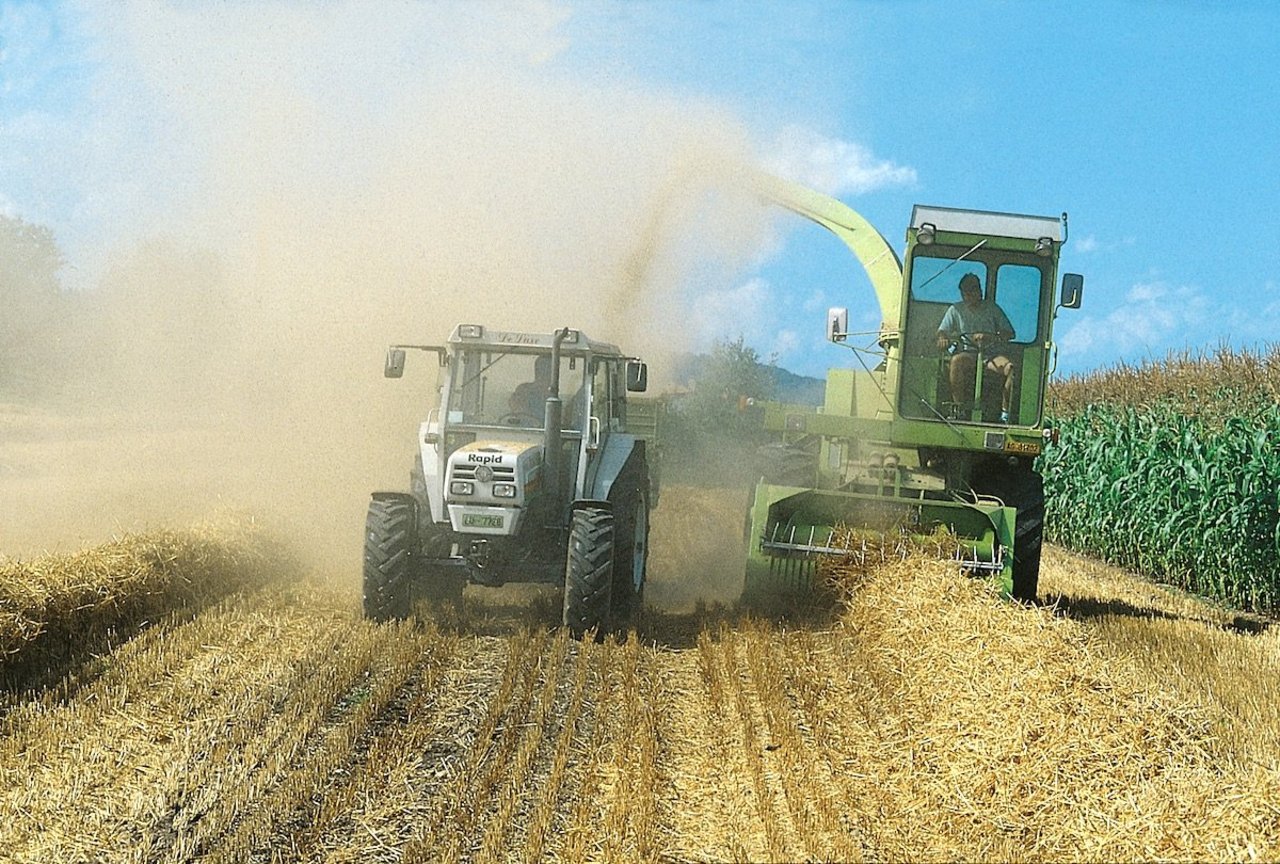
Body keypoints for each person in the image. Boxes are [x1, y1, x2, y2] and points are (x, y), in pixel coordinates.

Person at [935, 273, 1016, 422]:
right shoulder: (955, 310)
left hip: (991, 356)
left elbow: (1009, 333)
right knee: (956, 362)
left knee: (1011, 368)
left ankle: (1005, 414)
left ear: (979, 291)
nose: (968, 297)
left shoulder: (992, 309)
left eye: (971, 292)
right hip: (968, 354)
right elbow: (942, 330)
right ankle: (958, 409)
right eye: (964, 293)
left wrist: (989, 337)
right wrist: (942, 338)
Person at [508, 354, 554, 421]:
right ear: (536, 371)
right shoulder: (523, 390)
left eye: (548, 371)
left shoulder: (553, 399)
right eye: (542, 370)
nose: (544, 374)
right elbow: (516, 410)